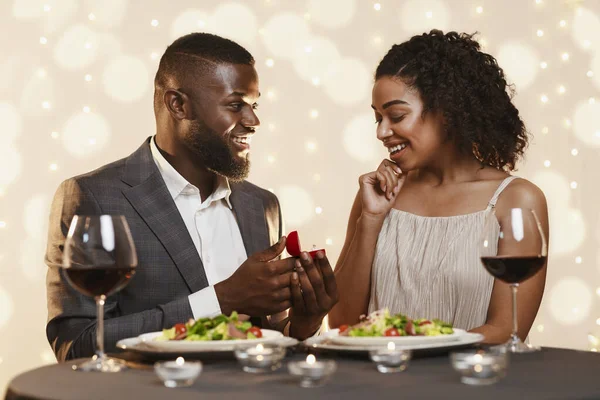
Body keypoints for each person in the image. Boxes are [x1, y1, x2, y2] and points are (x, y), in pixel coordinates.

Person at [45, 33, 338, 362]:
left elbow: (269, 341)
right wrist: (220, 301)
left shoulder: (262, 205)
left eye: (253, 105)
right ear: (178, 104)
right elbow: (76, 346)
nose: (254, 121)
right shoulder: (94, 196)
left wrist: (304, 324)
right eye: (235, 104)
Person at [328, 30, 549, 344]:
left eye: (396, 115)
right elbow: (341, 323)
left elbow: (506, 331)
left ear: (447, 112)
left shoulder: (515, 199)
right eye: (377, 118)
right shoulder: (377, 196)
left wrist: (415, 350)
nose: (382, 131)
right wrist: (372, 219)